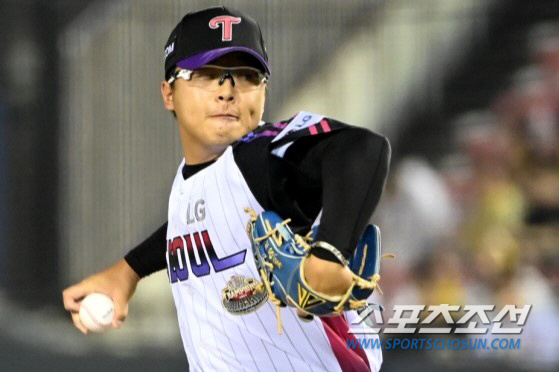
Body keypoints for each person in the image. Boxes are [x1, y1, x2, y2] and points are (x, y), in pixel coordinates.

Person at [62, 6, 390, 372]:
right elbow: (193, 225)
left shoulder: (261, 155)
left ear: (263, 91)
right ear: (168, 94)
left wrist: (329, 254)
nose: (228, 90)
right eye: (206, 74)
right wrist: (127, 271)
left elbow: (363, 149)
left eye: (248, 75)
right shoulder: (191, 182)